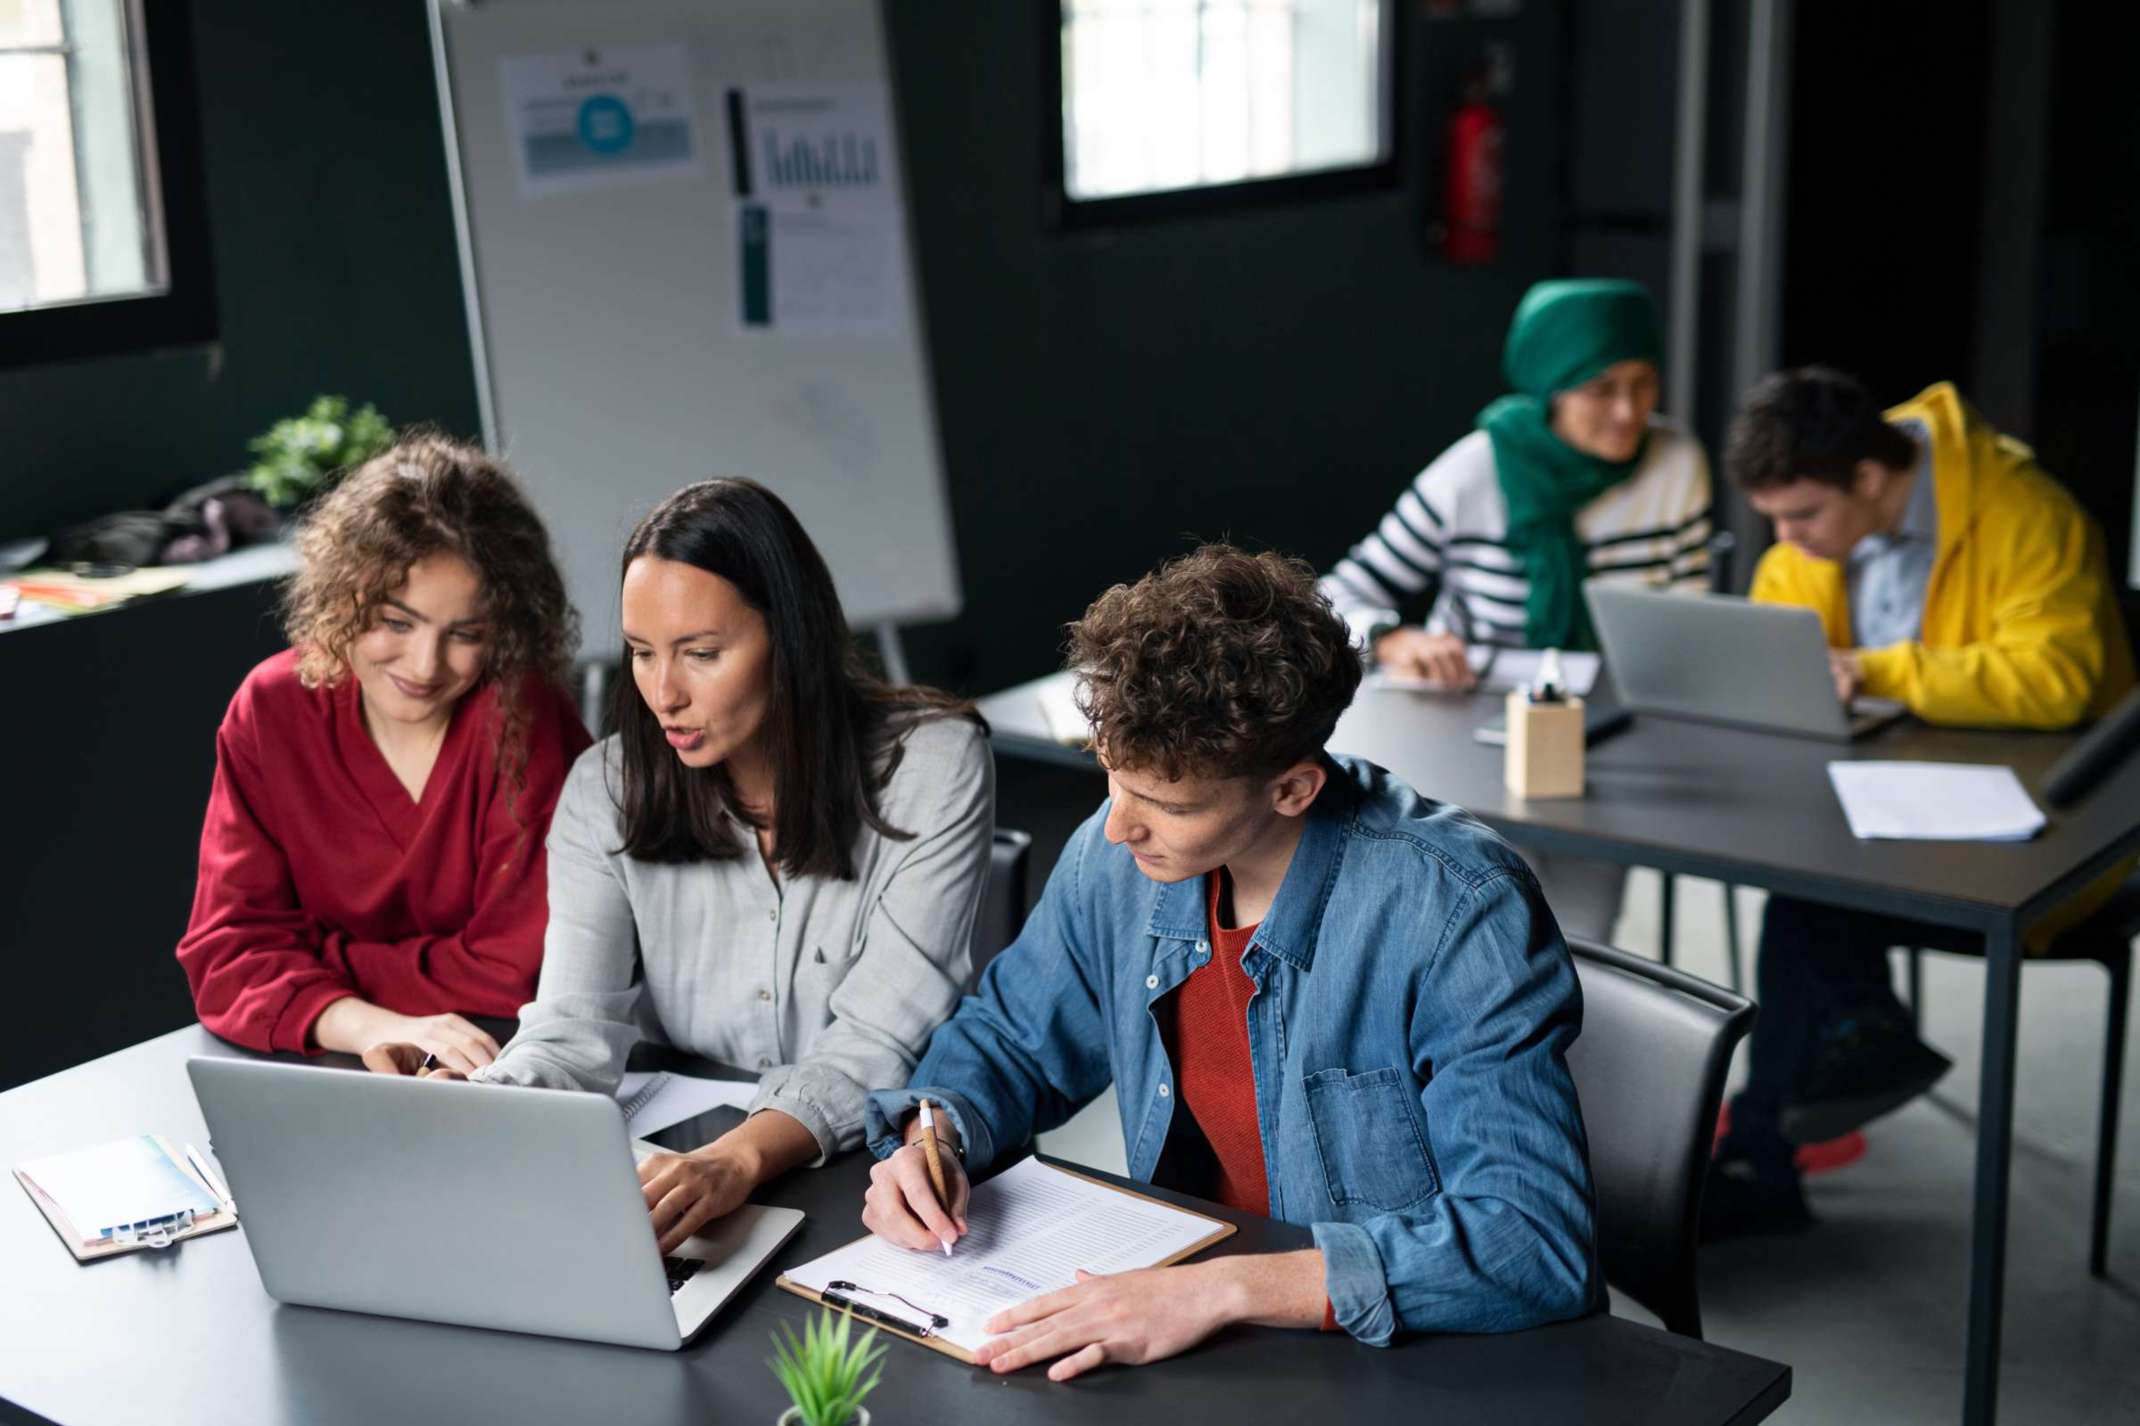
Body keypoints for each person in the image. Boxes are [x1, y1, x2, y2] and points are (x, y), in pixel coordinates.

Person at [859, 546, 1597, 1380]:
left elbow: (1529, 1240)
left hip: (1409, 1363)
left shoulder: (1457, 909)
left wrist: (1220, 1290)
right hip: (1215, 1341)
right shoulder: (1117, 863)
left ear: (1293, 790)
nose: (1116, 828)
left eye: (1169, 805)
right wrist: (937, 1133)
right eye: (1111, 780)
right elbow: (1014, 1039)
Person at [367, 479, 995, 1254]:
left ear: (790, 641)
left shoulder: (933, 765)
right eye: (640, 653)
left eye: (701, 654)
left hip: (879, 1179)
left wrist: (734, 1160)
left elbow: (876, 1041)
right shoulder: (607, 787)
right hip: (680, 1171)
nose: (664, 694)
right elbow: (572, 1031)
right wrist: (480, 1105)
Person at [1708, 367, 2136, 1235]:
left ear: (1868, 479)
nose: (1785, 541)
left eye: (1801, 517)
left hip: (2053, 830)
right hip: (1887, 805)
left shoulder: (2026, 511)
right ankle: (1845, 1058)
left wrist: (1876, 669)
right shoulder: (1822, 531)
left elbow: (2056, 680)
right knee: (1805, 891)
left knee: (1806, 908)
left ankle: (1808, 1105)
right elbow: (1784, 640)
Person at [177, 435, 590, 1068]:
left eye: (466, 634)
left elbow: (520, 969)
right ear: (343, 596)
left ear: (506, 630)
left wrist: (313, 961)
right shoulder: (270, 709)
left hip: (493, 1057)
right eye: (396, 623)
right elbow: (224, 956)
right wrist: (367, 1024)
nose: (425, 665)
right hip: (328, 1055)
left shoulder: (520, 714)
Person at [1318, 278, 1712, 941]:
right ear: (1552, 389)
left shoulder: (1677, 464)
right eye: (1600, 389)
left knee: (1583, 937)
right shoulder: (1474, 471)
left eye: (1643, 384)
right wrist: (1392, 640)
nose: (1627, 410)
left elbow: (1686, 622)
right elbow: (1333, 595)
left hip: (1610, 739)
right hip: (1467, 736)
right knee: (1495, 916)